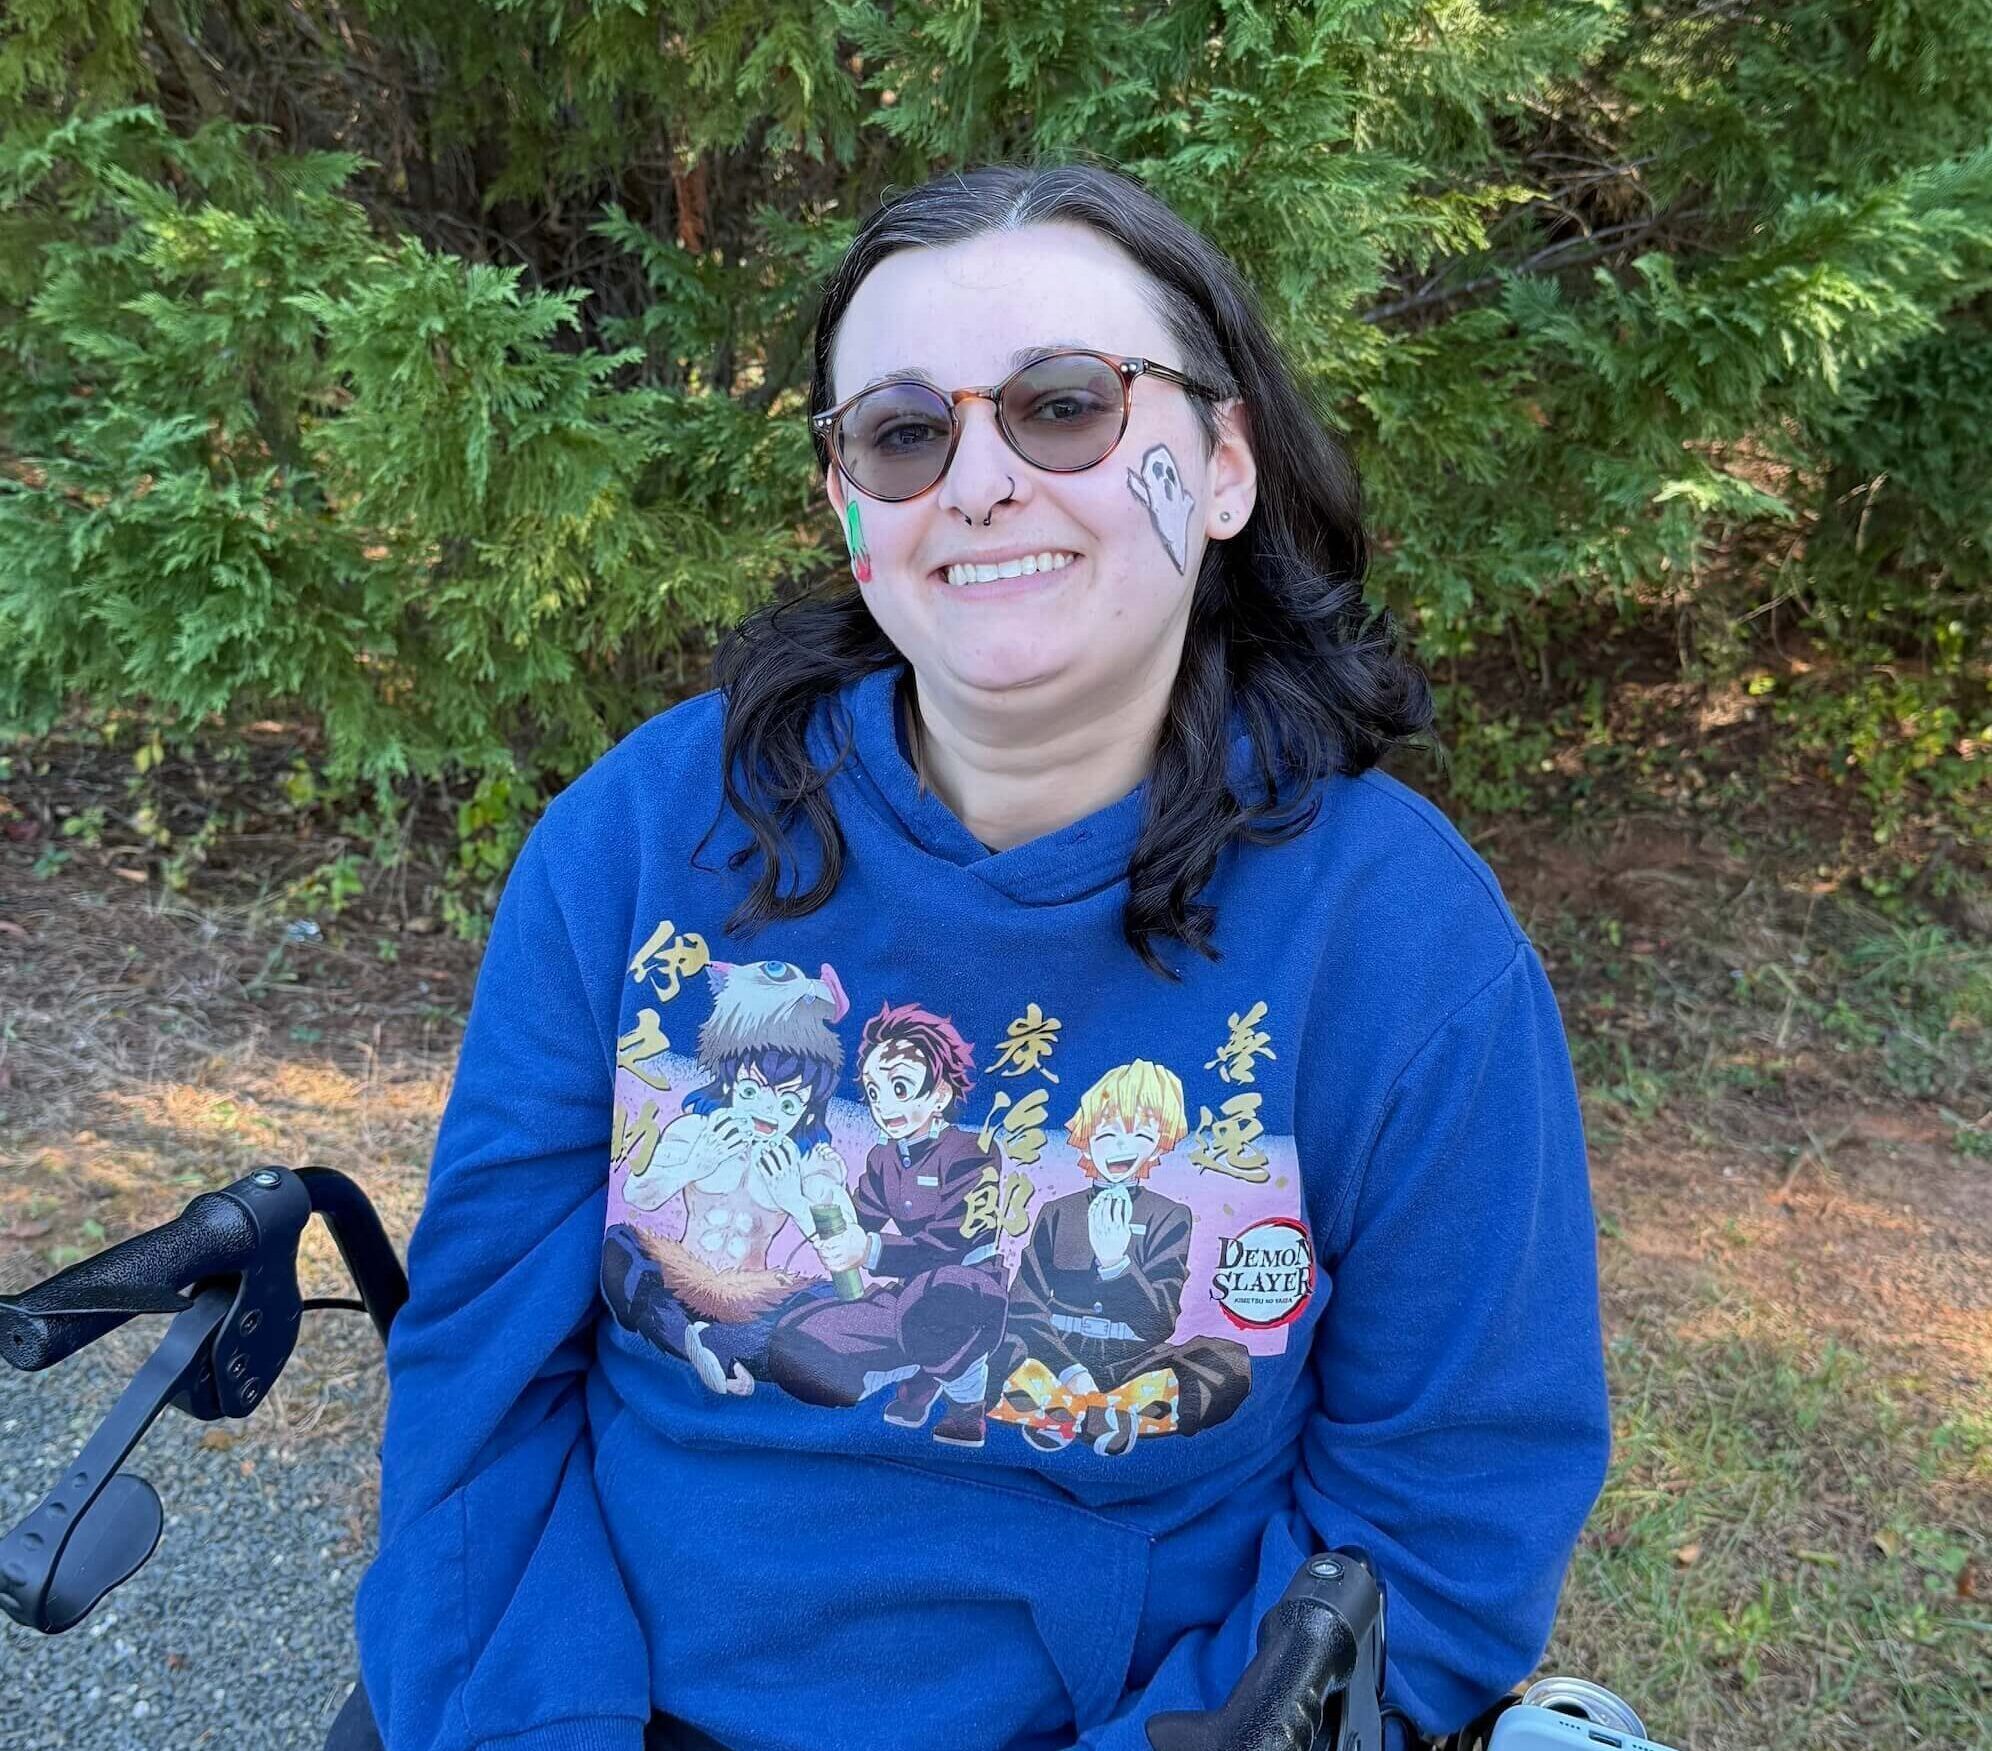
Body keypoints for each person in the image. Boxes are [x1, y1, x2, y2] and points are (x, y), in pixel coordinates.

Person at [349, 159, 1612, 1751]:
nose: (980, 480)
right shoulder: (637, 844)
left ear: (1224, 465)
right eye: (903, 431)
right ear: (848, 505)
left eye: (1065, 405)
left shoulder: (1402, 949)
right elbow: (478, 1383)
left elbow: (1447, 1517)